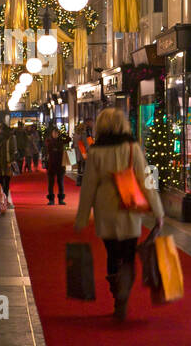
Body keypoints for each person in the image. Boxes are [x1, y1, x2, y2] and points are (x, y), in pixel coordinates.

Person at [73, 108, 164, 322]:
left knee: (112, 254)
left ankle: (116, 295)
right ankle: (124, 291)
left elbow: (88, 186)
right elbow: (146, 181)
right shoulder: (132, 148)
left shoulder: (95, 152)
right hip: (129, 209)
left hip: (105, 210)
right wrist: (158, 211)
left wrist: (82, 217)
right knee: (129, 255)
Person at [0, 122, 18, 210]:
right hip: (7, 163)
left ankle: (3, 201)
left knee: (1, 183)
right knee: (5, 183)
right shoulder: (10, 137)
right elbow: (14, 151)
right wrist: (11, 161)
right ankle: (4, 201)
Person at [43, 124, 69, 205]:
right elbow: (48, 148)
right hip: (51, 164)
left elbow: (69, 139)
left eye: (57, 133)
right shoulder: (49, 141)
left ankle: (61, 199)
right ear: (51, 133)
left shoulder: (61, 140)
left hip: (60, 165)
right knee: (51, 183)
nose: (55, 134)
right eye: (54, 133)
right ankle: (51, 199)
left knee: (60, 182)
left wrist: (63, 134)